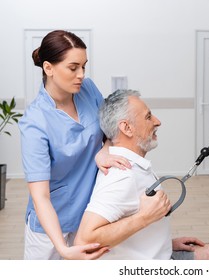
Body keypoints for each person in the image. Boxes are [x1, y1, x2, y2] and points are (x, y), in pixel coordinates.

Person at [74, 89, 209, 260]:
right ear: (127, 128)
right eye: (148, 117)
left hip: (158, 252)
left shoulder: (133, 165)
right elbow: (84, 241)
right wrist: (144, 217)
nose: (158, 122)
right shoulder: (122, 176)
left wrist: (166, 243)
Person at [18, 30, 134, 260]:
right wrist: (62, 248)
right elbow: (40, 196)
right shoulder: (34, 122)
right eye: (73, 68)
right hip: (50, 228)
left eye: (84, 66)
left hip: (90, 216)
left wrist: (104, 149)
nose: (81, 74)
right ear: (48, 68)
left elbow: (110, 130)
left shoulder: (88, 90)